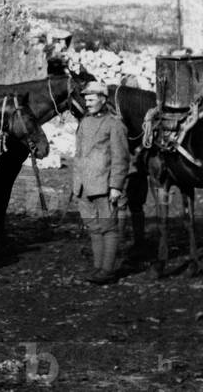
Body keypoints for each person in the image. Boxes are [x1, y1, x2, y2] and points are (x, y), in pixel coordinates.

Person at [72, 80, 130, 284]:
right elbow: (79, 155)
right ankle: (98, 269)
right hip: (83, 186)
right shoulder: (84, 123)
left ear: (103, 100)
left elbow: (121, 158)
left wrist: (116, 186)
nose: (87, 103)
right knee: (94, 228)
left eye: (91, 99)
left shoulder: (114, 124)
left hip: (104, 186)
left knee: (109, 227)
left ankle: (108, 270)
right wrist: (76, 184)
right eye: (85, 99)